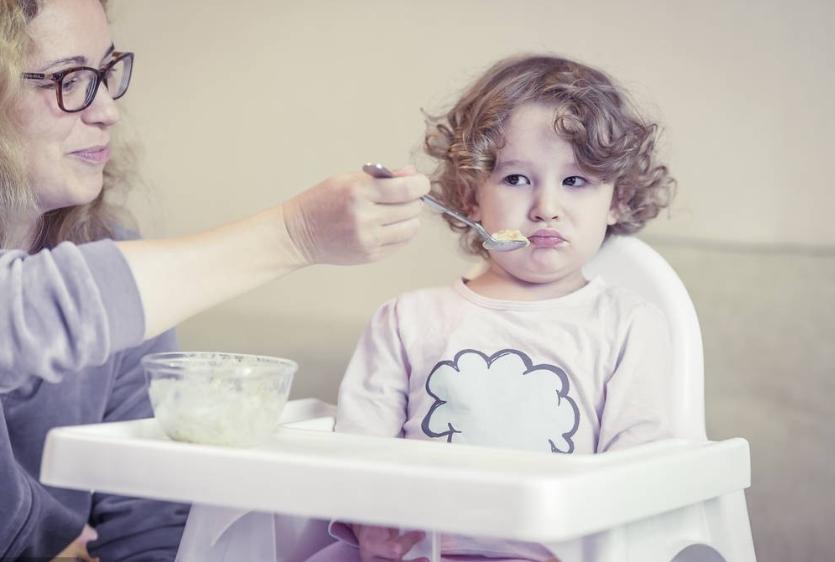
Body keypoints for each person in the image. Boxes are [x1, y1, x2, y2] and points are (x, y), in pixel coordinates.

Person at [0, 0, 429, 560]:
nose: (107, 110)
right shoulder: (110, 284)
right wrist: (294, 233)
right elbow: (22, 314)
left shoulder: (122, 258)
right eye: (69, 79)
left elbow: (148, 511)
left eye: (106, 74)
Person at [305, 54, 676, 562]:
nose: (546, 206)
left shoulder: (630, 326)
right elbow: (360, 449)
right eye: (517, 179)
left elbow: (639, 470)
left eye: (575, 182)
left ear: (617, 199)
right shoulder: (406, 322)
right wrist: (370, 524)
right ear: (470, 198)